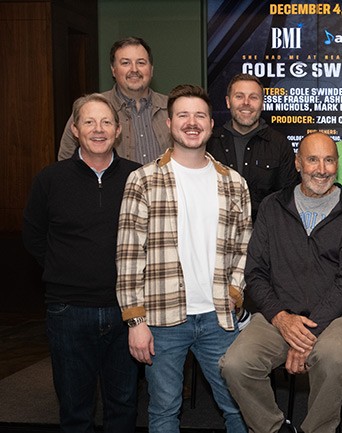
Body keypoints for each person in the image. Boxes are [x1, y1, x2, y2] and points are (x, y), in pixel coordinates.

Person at [116, 84, 250, 433]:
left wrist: (235, 293)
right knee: (163, 412)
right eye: (183, 115)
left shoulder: (234, 183)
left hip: (219, 319)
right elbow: (129, 254)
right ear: (169, 123)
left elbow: (244, 248)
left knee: (238, 408)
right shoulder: (143, 180)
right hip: (162, 318)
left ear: (210, 123)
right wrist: (135, 321)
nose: (192, 123)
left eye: (200, 115)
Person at [221, 132, 342, 433]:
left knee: (333, 359)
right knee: (235, 364)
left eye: (329, 160)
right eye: (312, 159)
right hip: (279, 314)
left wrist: (305, 335)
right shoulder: (274, 207)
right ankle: (274, 429)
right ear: (298, 163)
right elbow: (256, 272)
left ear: (337, 165)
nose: (321, 169)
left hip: (334, 317)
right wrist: (282, 319)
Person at [23, 94, 141, 433]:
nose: (98, 129)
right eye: (89, 122)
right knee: (75, 409)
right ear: (75, 129)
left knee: (123, 407)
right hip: (68, 311)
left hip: (125, 312)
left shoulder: (138, 178)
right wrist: (65, 268)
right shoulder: (50, 179)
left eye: (106, 122)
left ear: (118, 130)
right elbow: (34, 236)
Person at [59, 36, 171, 164]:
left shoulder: (172, 108)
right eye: (125, 63)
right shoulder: (90, 109)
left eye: (141, 62)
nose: (134, 70)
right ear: (113, 70)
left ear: (151, 70)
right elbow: (66, 160)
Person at [207, 73, 298, 220]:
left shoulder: (280, 144)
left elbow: (289, 200)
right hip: (217, 234)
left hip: (265, 235)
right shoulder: (210, 143)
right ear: (228, 101)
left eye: (253, 97)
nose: (246, 103)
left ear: (262, 103)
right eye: (239, 96)